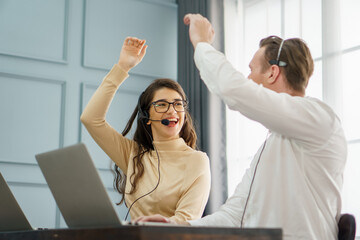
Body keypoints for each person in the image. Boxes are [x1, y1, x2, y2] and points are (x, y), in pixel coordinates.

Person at [135, 14, 347, 240]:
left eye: (252, 69)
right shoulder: (273, 145)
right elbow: (234, 214)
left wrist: (202, 43)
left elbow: (235, 90)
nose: (248, 77)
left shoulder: (319, 118)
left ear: (272, 72)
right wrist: (176, 226)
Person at [80, 36, 211, 223]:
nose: (172, 110)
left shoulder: (197, 161)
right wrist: (122, 67)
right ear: (147, 117)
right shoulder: (134, 155)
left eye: (177, 104)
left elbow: (186, 221)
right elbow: (91, 119)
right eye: (162, 104)